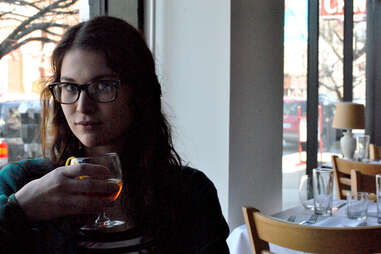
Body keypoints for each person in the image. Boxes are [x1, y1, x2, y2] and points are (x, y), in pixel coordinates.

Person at [0, 16, 230, 254]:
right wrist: (20, 210)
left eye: (103, 85)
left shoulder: (190, 193)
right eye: (70, 87)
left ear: (139, 93)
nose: (82, 106)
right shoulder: (20, 184)